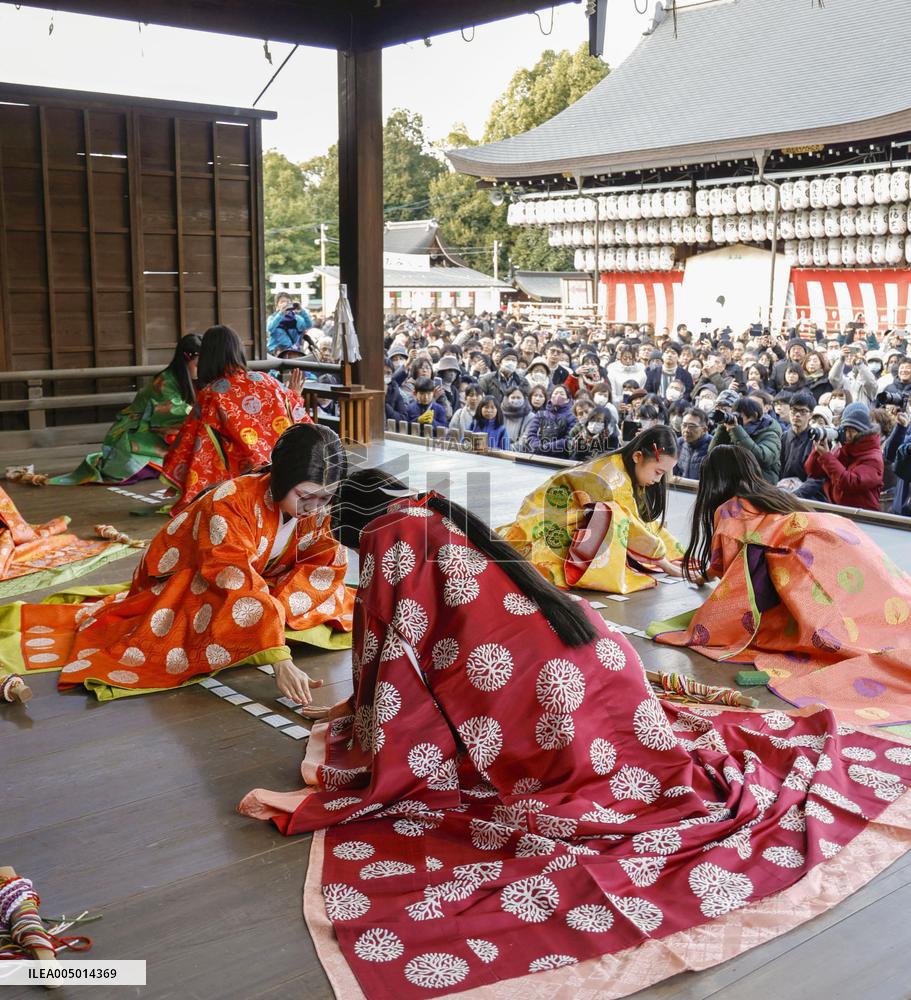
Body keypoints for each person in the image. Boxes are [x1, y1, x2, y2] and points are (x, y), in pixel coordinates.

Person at [239, 465, 911, 1000]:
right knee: (636, 764)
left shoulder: (389, 537)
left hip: (552, 691)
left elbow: (392, 651)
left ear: (354, 521)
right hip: (598, 657)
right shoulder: (427, 509)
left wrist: (363, 720)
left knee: (555, 784)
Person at [10, 424, 354, 702]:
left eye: (325, 497)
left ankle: (263, 616)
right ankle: (260, 618)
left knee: (331, 583)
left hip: (252, 577)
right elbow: (230, 575)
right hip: (189, 580)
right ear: (281, 478)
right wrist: (278, 656)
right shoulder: (232, 502)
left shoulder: (316, 508)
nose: (314, 507)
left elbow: (324, 560)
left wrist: (274, 609)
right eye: (305, 496)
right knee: (193, 620)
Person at [650, 445, 911, 724]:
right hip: (838, 536)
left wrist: (695, 575)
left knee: (836, 633)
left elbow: (727, 563)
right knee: (876, 612)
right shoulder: (771, 495)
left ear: (713, 478)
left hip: (810, 550)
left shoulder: (730, 508)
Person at [499, 426, 684, 594]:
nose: (658, 480)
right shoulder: (611, 480)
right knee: (613, 515)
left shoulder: (623, 468)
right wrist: (664, 563)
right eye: (658, 472)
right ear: (637, 457)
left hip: (565, 517)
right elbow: (631, 526)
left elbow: (640, 521)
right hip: (553, 523)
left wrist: (672, 553)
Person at [162, 325, 311, 513]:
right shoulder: (267, 380)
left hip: (240, 483)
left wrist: (179, 479)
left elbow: (189, 439)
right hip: (282, 473)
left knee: (204, 441)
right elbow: (299, 422)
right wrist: (294, 396)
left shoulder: (211, 394)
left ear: (207, 356)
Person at [49, 335, 201, 485]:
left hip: (159, 427)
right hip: (137, 428)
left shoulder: (190, 378)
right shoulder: (165, 380)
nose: (200, 369)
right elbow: (174, 410)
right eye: (197, 365)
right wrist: (202, 411)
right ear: (186, 358)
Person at [804, 402, 884, 511]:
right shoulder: (844, 449)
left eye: (853, 431)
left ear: (864, 433)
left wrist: (827, 456)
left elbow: (849, 483)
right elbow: (813, 472)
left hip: (863, 516)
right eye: (845, 430)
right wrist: (818, 451)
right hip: (838, 510)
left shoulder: (873, 458)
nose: (848, 435)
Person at [710, 394, 782, 484]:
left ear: (754, 416)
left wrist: (737, 430)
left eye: (740, 417)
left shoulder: (770, 432)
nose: (737, 419)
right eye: (735, 414)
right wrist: (723, 428)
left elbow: (762, 458)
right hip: (733, 483)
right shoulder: (732, 429)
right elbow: (712, 455)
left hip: (760, 485)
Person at [524, 384, 576, 460]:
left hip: (560, 458)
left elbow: (568, 439)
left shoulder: (572, 417)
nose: (558, 396)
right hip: (537, 455)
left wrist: (547, 447)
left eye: (561, 394)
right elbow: (531, 434)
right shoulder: (540, 414)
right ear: (551, 397)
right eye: (555, 393)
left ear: (568, 399)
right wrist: (538, 446)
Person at [777, 389, 816, 488]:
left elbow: (817, 478)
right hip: (783, 488)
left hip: (807, 491)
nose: (797, 415)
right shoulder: (784, 437)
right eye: (794, 410)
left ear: (811, 415)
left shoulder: (815, 439)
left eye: (803, 411)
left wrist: (798, 493)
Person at [266, 292, 315, 357]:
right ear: (277, 305)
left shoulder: (296, 318)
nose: (285, 304)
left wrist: (301, 311)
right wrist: (281, 313)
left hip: (292, 354)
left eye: (288, 302)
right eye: (282, 302)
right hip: (276, 354)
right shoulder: (272, 318)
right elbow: (270, 329)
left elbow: (309, 325)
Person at [674, 407, 711, 479]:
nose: (686, 430)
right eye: (684, 425)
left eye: (692, 426)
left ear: (704, 429)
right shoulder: (678, 443)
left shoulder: (712, 446)